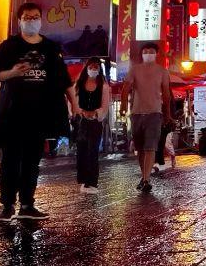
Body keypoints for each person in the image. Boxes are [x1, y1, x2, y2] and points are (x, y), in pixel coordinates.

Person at [0, 3, 69, 224]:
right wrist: (12, 72)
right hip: (13, 113)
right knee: (11, 159)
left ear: (41, 20)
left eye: (35, 17)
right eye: (26, 17)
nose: (31, 20)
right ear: (19, 20)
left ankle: (27, 204)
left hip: (40, 114)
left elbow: (62, 79)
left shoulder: (50, 47)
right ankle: (7, 205)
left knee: (32, 160)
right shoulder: (9, 46)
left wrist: (73, 106)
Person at [124, 41, 175, 193]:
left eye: (151, 51)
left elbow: (166, 95)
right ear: (141, 54)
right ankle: (144, 176)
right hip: (136, 113)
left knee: (150, 147)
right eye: (145, 51)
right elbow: (126, 87)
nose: (148, 54)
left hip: (155, 114)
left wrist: (167, 114)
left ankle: (146, 179)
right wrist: (122, 106)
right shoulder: (134, 70)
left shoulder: (163, 72)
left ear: (156, 54)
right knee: (140, 149)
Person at [72, 58, 112, 188]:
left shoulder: (104, 87)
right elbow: (72, 102)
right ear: (86, 68)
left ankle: (92, 182)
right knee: (81, 151)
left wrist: (96, 113)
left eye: (96, 67)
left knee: (93, 151)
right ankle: (83, 180)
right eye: (91, 66)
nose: (93, 69)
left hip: (95, 122)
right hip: (80, 122)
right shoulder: (78, 84)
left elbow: (105, 106)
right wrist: (81, 112)